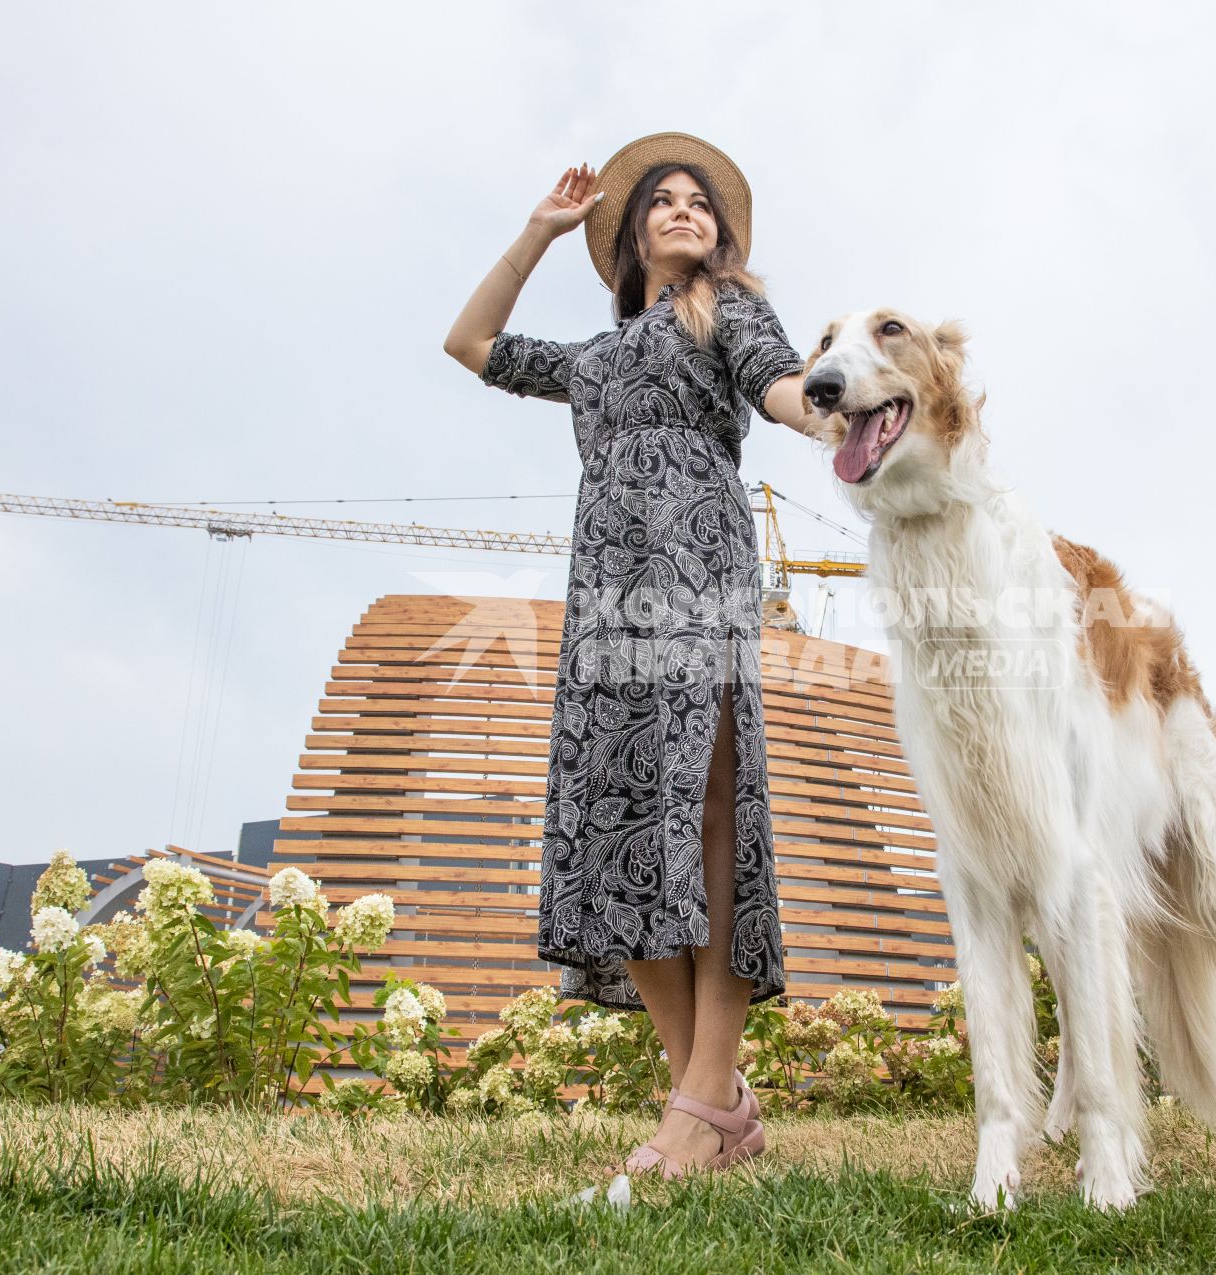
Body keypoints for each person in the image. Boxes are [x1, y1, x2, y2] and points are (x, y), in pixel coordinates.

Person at [444, 132, 819, 1175]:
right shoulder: (597, 358)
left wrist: (829, 410)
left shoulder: (728, 310)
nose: (685, 209)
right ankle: (716, 1100)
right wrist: (537, 231)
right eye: (664, 200)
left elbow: (782, 386)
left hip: (699, 559)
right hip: (606, 588)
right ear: (631, 233)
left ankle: (700, 1105)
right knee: (617, 820)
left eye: (701, 202)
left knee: (704, 808)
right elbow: (469, 345)